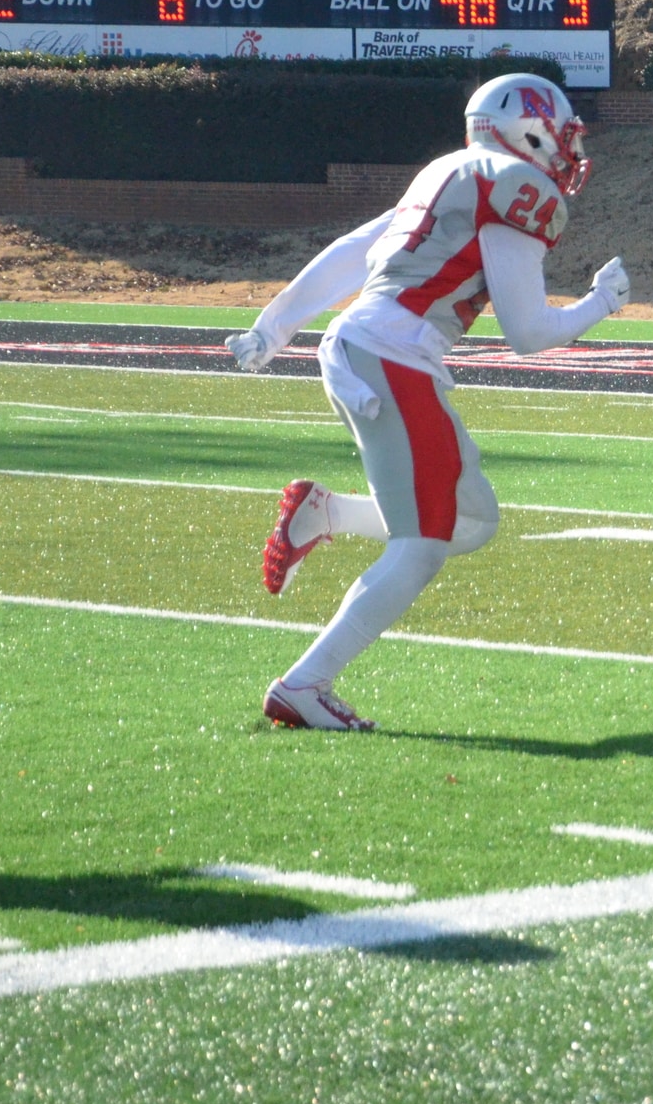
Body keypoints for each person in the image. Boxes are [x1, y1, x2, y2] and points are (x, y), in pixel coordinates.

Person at [225, 74, 628, 730]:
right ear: (525, 130)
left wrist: (275, 326)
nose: (564, 152)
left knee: (474, 519)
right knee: (424, 545)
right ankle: (305, 683)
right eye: (557, 136)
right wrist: (599, 305)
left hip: (368, 346)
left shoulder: (448, 170)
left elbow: (353, 253)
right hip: (392, 355)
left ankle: (324, 516)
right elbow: (527, 332)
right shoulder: (513, 186)